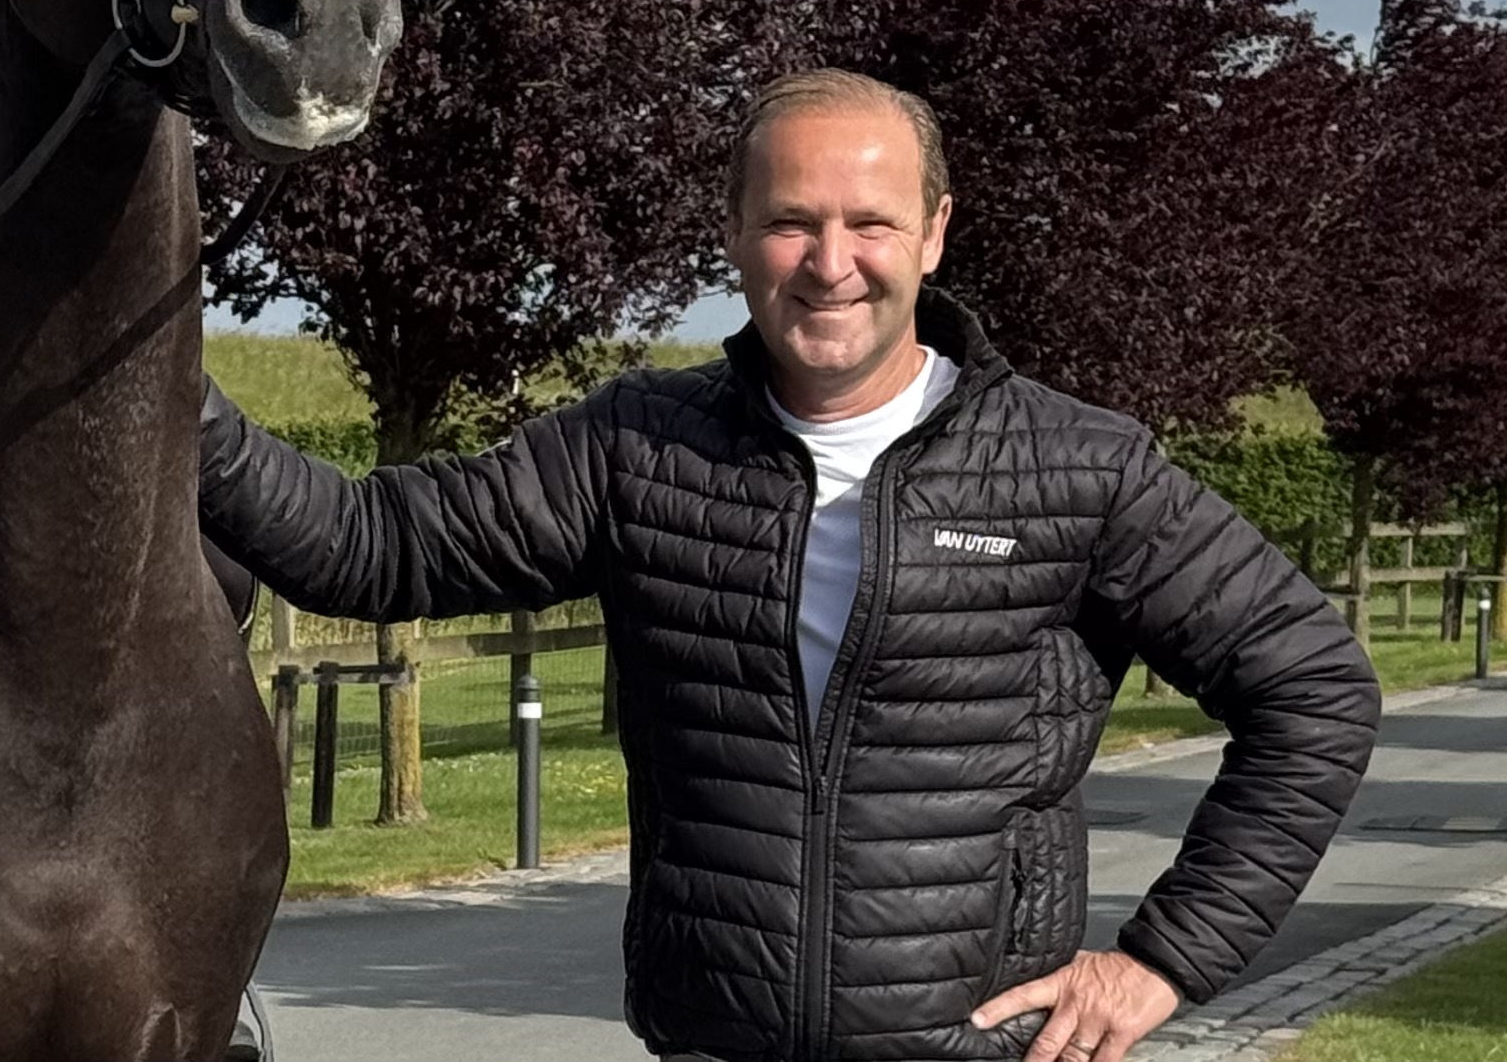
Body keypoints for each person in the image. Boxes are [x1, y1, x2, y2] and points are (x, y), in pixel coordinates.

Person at [199, 69, 1380, 1062]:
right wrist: (166, 396)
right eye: (789, 222)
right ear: (734, 234)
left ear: (933, 233)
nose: (829, 262)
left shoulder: (1075, 467)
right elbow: (370, 548)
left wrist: (1162, 962)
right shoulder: (638, 448)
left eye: (870, 223)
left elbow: (1314, 689)